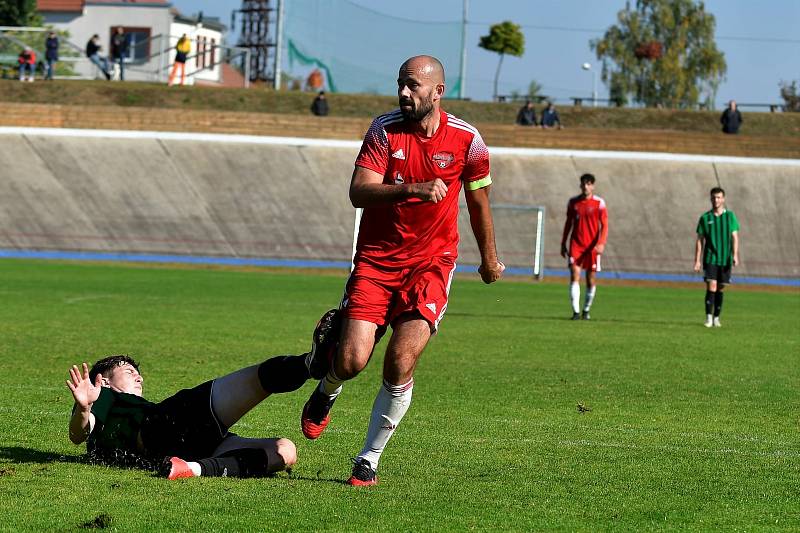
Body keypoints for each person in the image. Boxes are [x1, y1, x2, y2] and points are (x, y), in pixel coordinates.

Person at [300, 55, 505, 487]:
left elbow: (478, 202)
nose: (404, 94)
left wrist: (489, 258)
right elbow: (358, 192)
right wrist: (413, 188)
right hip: (376, 263)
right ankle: (327, 389)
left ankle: (368, 458)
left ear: (438, 91)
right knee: (354, 360)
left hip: (431, 266)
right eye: (400, 85)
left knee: (400, 360)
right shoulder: (383, 130)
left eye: (413, 86)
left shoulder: (468, 141)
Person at [66, 309, 340, 479]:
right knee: (260, 380)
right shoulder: (101, 398)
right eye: (127, 370)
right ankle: (309, 364)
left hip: (188, 444)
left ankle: (191, 469)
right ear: (104, 380)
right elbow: (78, 435)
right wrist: (83, 408)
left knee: (284, 451)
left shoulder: (132, 405)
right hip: (165, 426)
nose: (138, 375)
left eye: (137, 372)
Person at [560, 173, 608, 320]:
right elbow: (568, 223)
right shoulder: (573, 203)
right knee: (575, 275)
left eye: (588, 184)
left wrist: (601, 243)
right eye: (583, 184)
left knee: (590, 279)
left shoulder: (599, 203)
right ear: (580, 185)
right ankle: (575, 312)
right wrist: (563, 242)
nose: (585, 186)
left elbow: (605, 225)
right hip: (576, 245)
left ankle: (586, 310)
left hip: (592, 247)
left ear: (592, 186)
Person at [693, 187, 740, 327]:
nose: (716, 200)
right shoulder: (705, 218)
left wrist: (735, 255)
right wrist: (697, 260)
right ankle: (708, 318)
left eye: (718, 197)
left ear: (723, 199)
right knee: (711, 285)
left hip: (725, 259)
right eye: (713, 197)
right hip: (710, 258)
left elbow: (735, 237)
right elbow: (699, 240)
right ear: (710, 199)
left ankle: (716, 318)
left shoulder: (730, 216)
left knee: (720, 288)